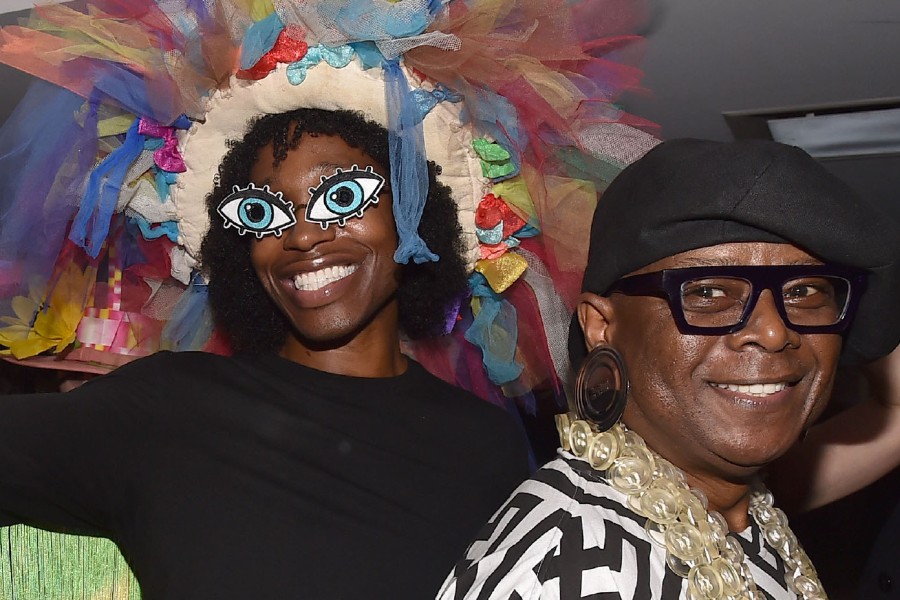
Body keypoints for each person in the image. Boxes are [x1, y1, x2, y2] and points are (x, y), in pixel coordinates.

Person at [0, 1, 655, 598]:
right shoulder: (166, 409)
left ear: (414, 210)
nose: (303, 235)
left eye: (341, 196)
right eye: (262, 212)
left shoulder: (489, 446)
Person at [437, 138, 900, 599]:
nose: (774, 332)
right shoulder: (570, 567)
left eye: (804, 292)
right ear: (602, 327)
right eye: (708, 292)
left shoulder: (739, 514)